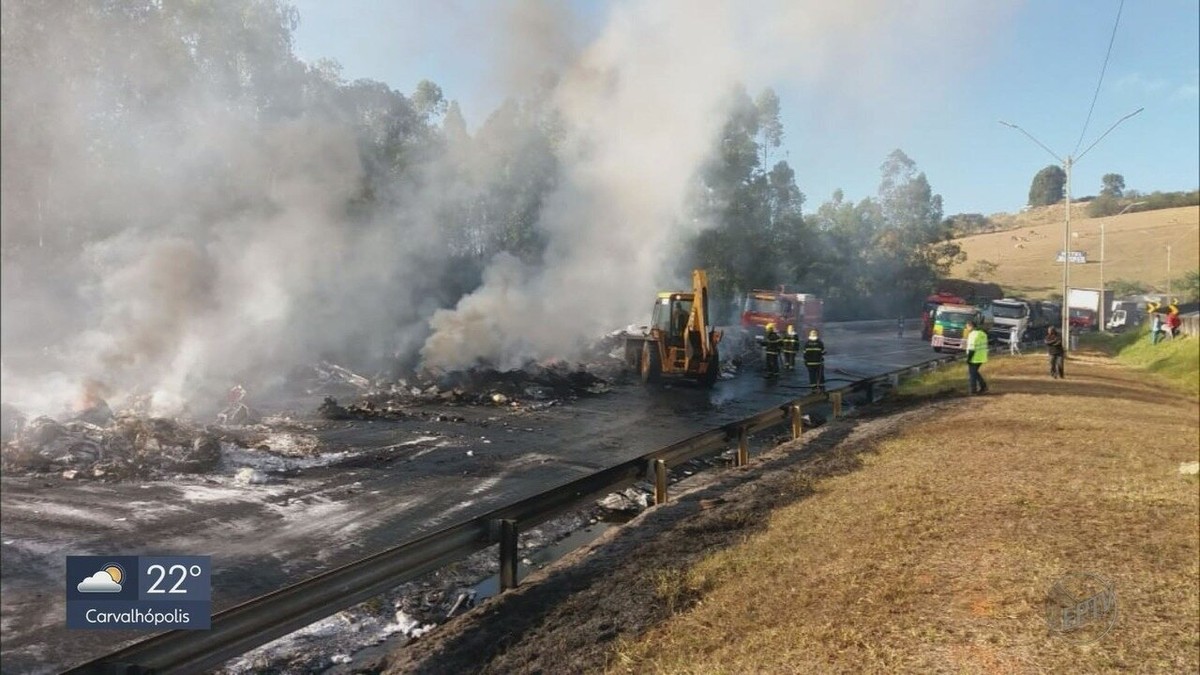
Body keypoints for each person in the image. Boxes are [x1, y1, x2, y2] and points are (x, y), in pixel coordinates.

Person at [965, 319, 989, 395]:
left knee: (972, 374)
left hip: (974, 358)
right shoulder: (983, 334)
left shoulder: (973, 334)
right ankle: (983, 386)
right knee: (975, 373)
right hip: (981, 357)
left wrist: (968, 359)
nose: (966, 328)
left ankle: (973, 391)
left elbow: (972, 348)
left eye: (967, 327)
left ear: (970, 326)